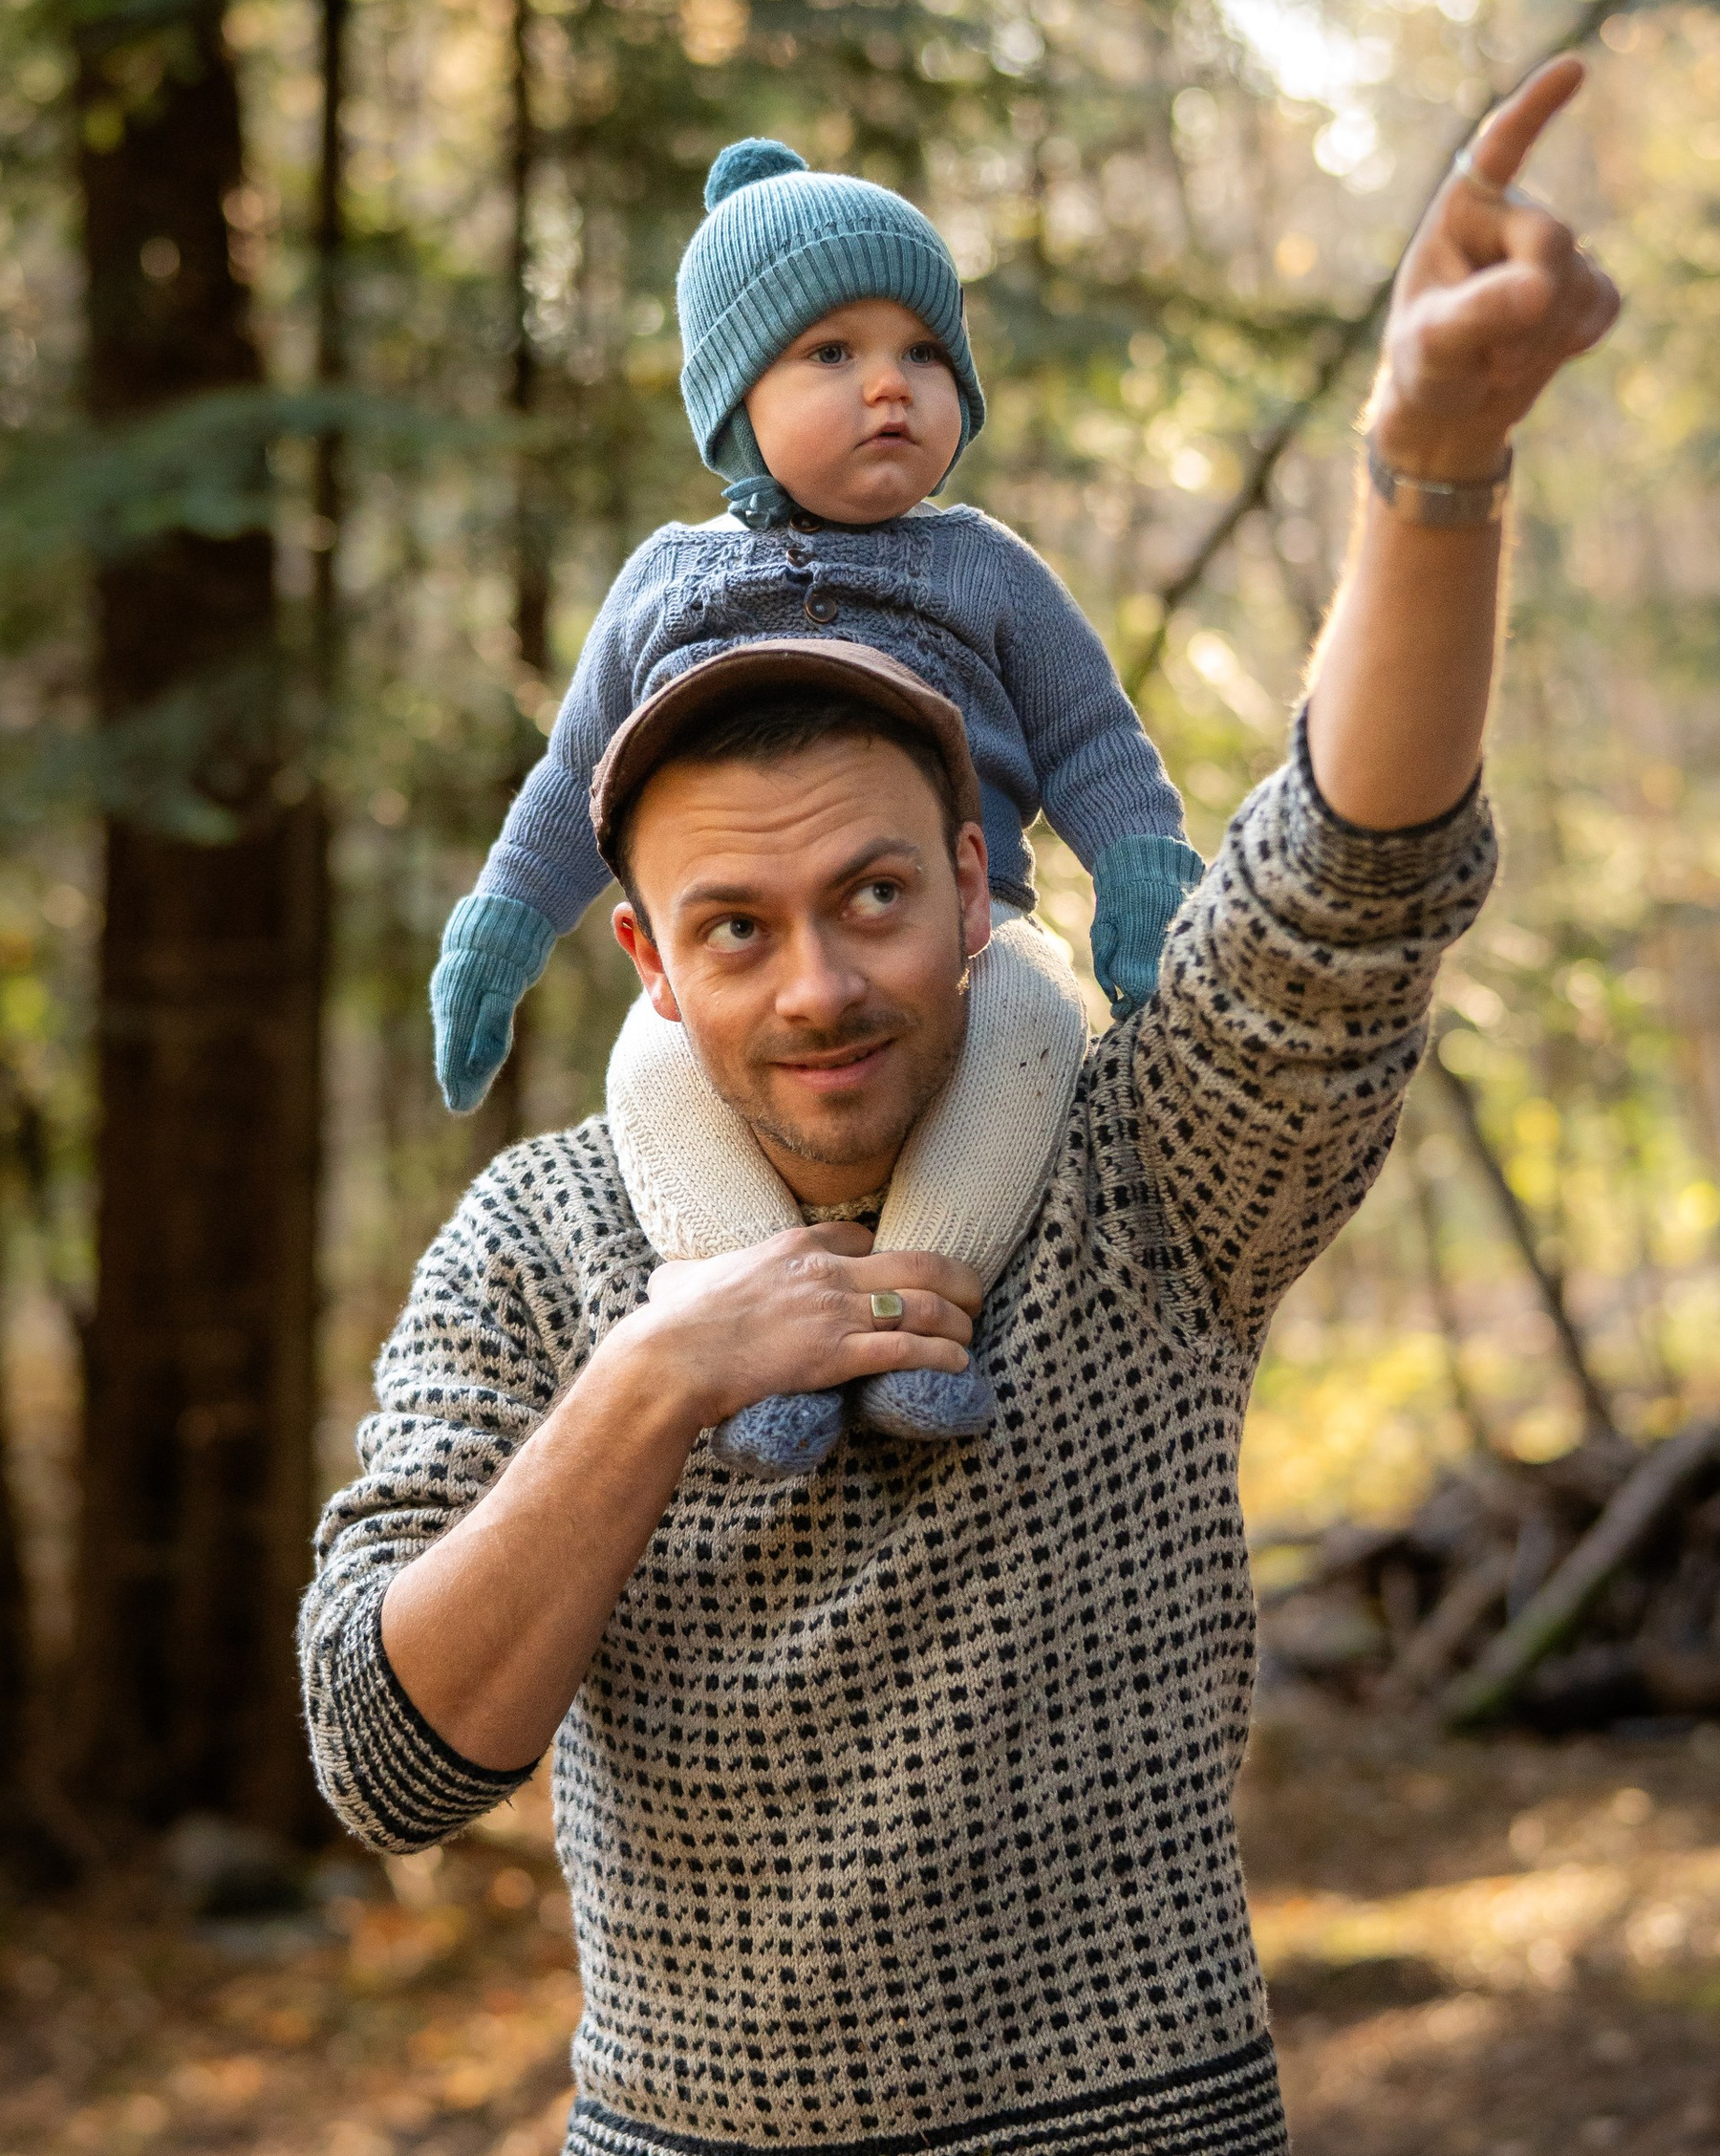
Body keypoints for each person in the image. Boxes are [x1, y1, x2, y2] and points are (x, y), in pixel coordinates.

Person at [302, 57, 1618, 2156]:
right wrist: (668, 1372)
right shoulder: (535, 1260)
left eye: (880, 899)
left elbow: (1342, 890)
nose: (817, 982)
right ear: (643, 950)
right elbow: (385, 1745)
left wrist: (1431, 468)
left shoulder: (1151, 1191)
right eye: (738, 928)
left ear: (984, 877)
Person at [427, 133, 1206, 1474]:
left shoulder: (986, 571)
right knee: (650, 1071)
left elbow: (1093, 741)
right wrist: (502, 929)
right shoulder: (666, 582)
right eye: (831, 355)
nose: (889, 386)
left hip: (966, 941)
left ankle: (909, 1313)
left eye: (921, 353)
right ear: (735, 406)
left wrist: (1143, 877)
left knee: (1031, 1018)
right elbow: (570, 777)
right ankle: (763, 1332)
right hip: (728, 964)